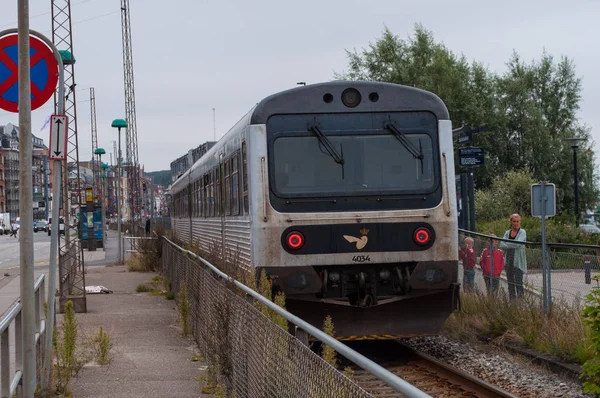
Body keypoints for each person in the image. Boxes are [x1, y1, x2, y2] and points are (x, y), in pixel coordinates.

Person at [500, 213, 527, 299]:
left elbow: (518, 244)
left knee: (518, 283)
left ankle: (520, 303)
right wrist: (511, 244)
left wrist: (507, 244)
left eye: (517, 221)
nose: (516, 223)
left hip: (518, 262)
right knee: (510, 284)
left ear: (520, 222)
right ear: (511, 222)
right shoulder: (507, 233)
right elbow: (501, 244)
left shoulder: (522, 232)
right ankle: (512, 303)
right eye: (514, 221)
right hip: (509, 261)